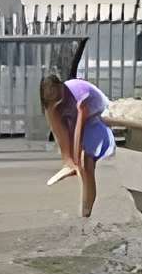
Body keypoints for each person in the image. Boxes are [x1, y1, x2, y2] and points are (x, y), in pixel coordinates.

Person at [39, 71, 118, 219]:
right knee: (80, 165)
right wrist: (68, 161)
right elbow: (59, 131)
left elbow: (79, 129)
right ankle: (85, 208)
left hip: (99, 117)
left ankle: (86, 210)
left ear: (61, 86)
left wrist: (76, 158)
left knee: (85, 161)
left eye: (57, 96)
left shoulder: (78, 92)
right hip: (78, 121)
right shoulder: (53, 104)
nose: (55, 100)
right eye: (51, 99)